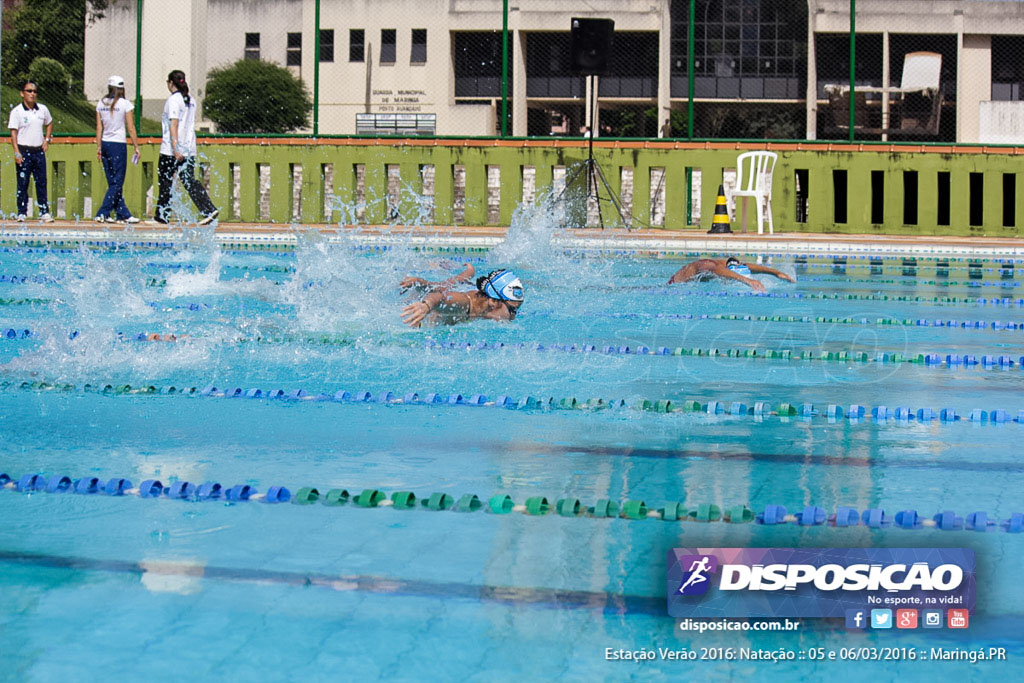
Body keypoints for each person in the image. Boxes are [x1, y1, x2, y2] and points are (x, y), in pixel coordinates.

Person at [154, 70, 219, 225]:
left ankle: (162, 216)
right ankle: (208, 209)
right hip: (189, 148)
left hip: (172, 150)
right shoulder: (190, 100)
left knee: (165, 181)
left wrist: (175, 148)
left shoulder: (173, 100)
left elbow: (174, 124)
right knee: (188, 180)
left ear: (171, 83)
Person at [401, 264, 524, 327]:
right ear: (493, 302)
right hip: (439, 294)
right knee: (441, 287)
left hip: (460, 287)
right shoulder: (465, 305)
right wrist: (426, 306)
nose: (513, 317)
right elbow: (440, 297)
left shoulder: (483, 310)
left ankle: (469, 273)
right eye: (512, 310)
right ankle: (419, 281)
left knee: (448, 285)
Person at [94, 75, 141, 224]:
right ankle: (103, 212)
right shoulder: (125, 104)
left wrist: (99, 147)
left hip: (106, 144)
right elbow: (131, 127)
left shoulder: (101, 103)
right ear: (122, 88)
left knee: (113, 181)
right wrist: (136, 146)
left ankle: (123, 213)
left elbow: (99, 127)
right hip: (118, 145)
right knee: (117, 182)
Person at [8, 80, 54, 223]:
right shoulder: (17, 112)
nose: (32, 94)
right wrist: (16, 151)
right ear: (22, 93)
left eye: (34, 91)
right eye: (29, 91)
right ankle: (22, 212)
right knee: (23, 182)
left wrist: (46, 140)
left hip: (38, 151)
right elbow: (13, 133)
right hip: (24, 150)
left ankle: (44, 211)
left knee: (41, 181)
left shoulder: (42, 109)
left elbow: (50, 123)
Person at [667, 256, 795, 293]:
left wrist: (776, 272)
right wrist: (747, 281)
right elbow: (719, 270)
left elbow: (748, 266)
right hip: (672, 287)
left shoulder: (731, 265)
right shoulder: (709, 264)